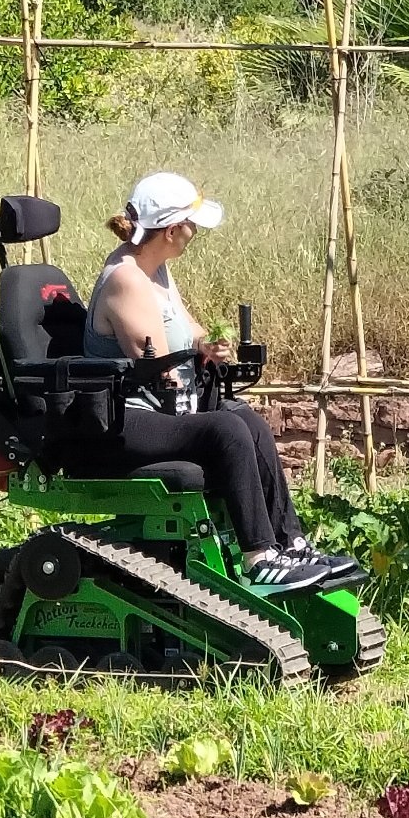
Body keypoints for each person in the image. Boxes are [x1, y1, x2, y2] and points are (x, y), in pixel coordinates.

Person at [81, 171, 353, 592]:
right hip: (125, 418)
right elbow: (159, 366)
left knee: (248, 420)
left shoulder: (155, 269)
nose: (194, 233)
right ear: (172, 230)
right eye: (191, 225)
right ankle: (259, 559)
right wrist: (194, 366)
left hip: (159, 408)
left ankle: (290, 543)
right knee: (225, 428)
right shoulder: (126, 280)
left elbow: (187, 330)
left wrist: (207, 343)